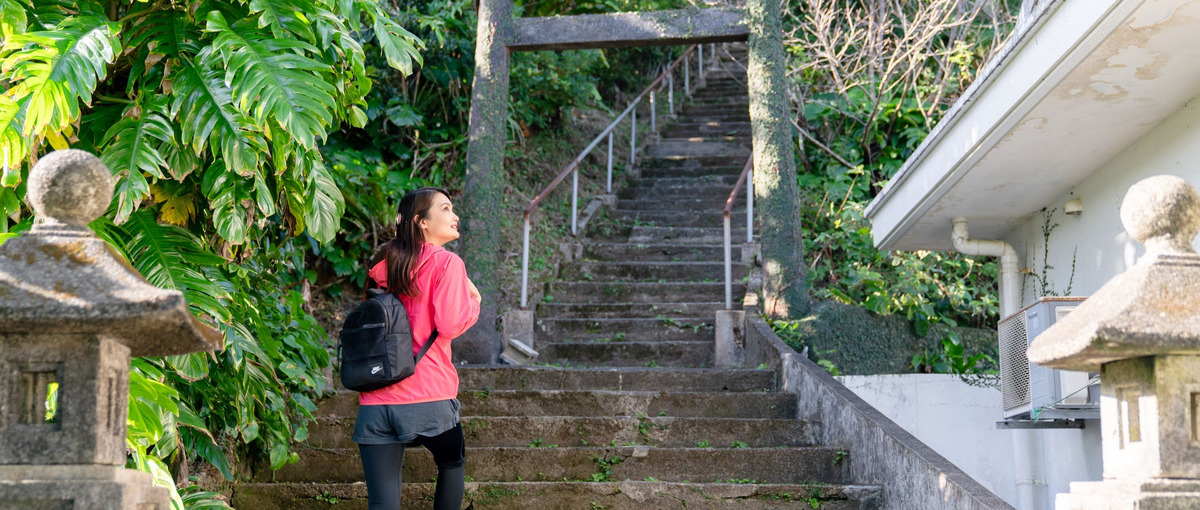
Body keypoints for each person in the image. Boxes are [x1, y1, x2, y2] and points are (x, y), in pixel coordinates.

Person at [352, 187, 481, 510]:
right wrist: (475, 303)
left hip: (375, 399)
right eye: (447, 209)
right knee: (452, 462)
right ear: (422, 222)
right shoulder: (446, 263)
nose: (455, 216)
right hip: (428, 396)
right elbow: (451, 325)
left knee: (382, 503)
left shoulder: (381, 266)